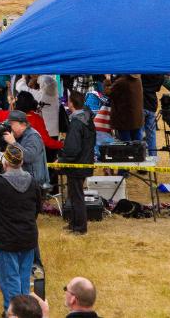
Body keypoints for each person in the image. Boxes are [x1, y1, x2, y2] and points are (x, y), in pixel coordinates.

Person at [0, 144, 43, 313]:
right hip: (27, 237)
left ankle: (12, 312)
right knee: (23, 278)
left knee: (10, 279)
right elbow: (37, 207)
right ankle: (25, 312)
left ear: (5, 161)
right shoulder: (32, 182)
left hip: (7, 239)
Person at [58, 95, 96, 235]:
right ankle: (74, 223)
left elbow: (73, 148)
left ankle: (80, 227)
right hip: (84, 162)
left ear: (71, 103)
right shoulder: (86, 118)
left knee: (77, 196)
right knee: (74, 195)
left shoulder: (76, 123)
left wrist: (62, 160)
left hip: (77, 164)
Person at [3, 110, 49, 189]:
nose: (9, 127)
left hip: (35, 183)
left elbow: (29, 157)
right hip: (22, 180)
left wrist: (13, 143)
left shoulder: (33, 137)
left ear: (23, 125)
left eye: (12, 124)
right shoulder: (17, 136)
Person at [105, 74, 144, 143]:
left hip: (124, 119)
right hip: (137, 118)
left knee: (126, 146)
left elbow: (108, 92)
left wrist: (107, 80)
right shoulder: (138, 80)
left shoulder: (122, 81)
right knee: (138, 145)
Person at [140, 74, 165, 158]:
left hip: (141, 104)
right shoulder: (158, 75)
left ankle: (140, 156)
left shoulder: (141, 73)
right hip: (151, 104)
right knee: (151, 134)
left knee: (139, 133)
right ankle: (153, 156)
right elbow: (157, 88)